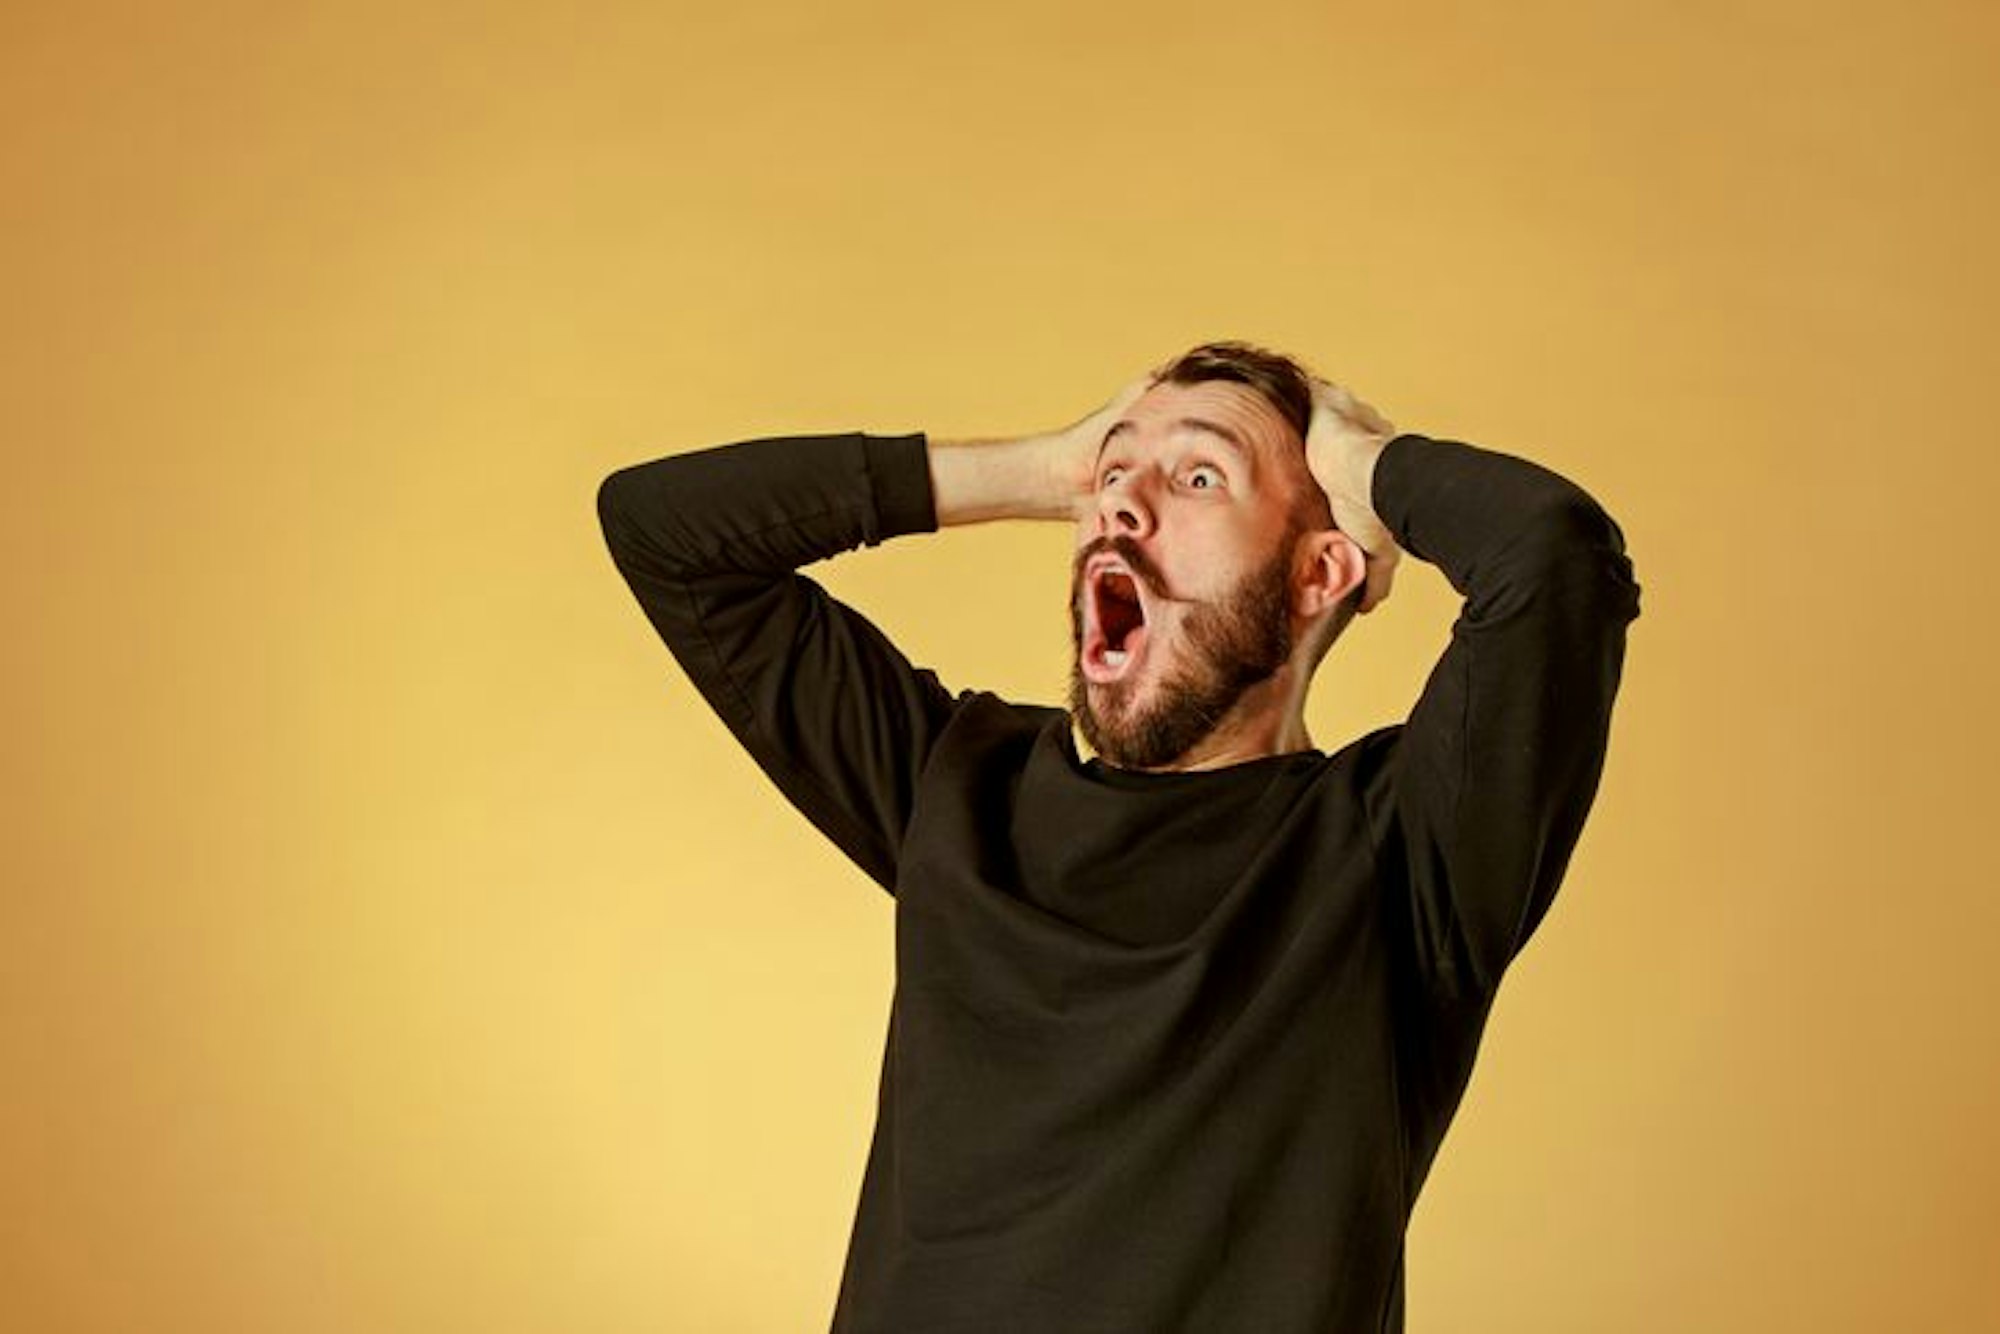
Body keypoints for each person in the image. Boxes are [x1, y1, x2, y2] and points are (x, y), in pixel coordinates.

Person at [595, 340, 1641, 1333]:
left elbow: (1553, 555)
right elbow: (665, 527)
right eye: (1113, 475)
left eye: (1197, 480)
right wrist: (1048, 466)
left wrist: (1351, 458)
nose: (1121, 507)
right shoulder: (957, 787)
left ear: (1319, 574)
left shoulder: (1399, 857)